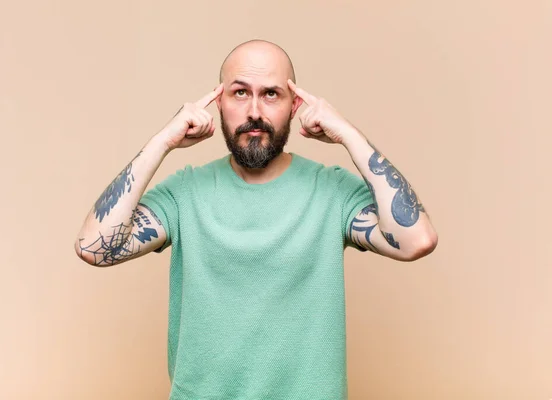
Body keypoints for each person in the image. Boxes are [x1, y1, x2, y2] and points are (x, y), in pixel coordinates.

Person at [74, 39, 438, 399]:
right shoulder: (185, 193)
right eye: (239, 93)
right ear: (219, 102)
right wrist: (162, 141)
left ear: (295, 106)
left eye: (271, 94)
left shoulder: (332, 191)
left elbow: (416, 240)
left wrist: (348, 135)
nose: (254, 112)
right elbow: (94, 247)